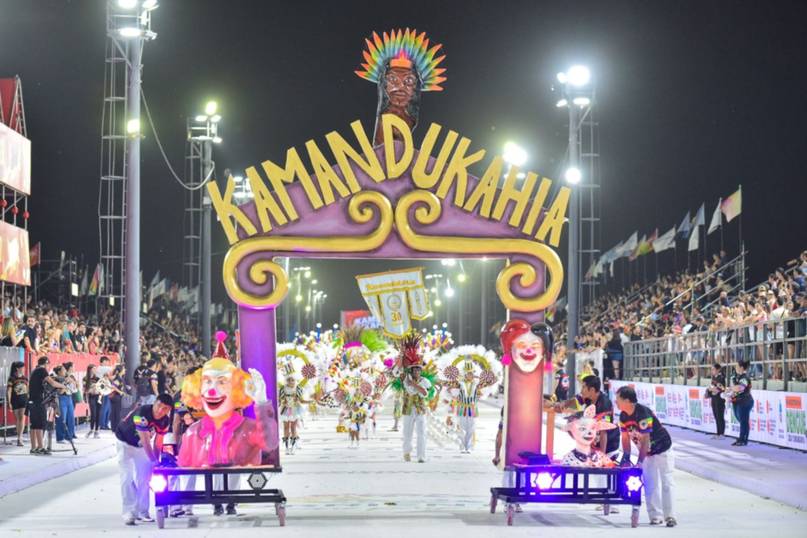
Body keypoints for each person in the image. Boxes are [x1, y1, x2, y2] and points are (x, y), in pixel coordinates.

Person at [616, 385, 676, 527]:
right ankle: (655, 516)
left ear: (627, 400)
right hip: (647, 452)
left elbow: (645, 439)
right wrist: (626, 457)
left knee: (666, 481)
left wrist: (640, 461)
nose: (616, 402)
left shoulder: (642, 413)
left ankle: (670, 516)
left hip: (662, 448)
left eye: (618, 399)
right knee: (650, 483)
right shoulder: (623, 416)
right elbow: (625, 438)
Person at [114, 394, 173, 525]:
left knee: (144, 477)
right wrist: (153, 460)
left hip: (140, 447)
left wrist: (156, 463)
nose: (160, 411)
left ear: (169, 410)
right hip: (124, 442)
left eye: (165, 409)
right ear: (154, 403)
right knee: (127, 478)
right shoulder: (142, 413)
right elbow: (146, 441)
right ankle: (129, 512)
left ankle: (143, 511)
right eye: (158, 406)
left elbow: (158, 442)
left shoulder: (164, 421)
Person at [399, 334, 432, 463]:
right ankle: (407, 452)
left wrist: (415, 385)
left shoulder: (425, 381)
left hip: (420, 410)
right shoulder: (406, 380)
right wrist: (413, 385)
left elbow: (424, 393)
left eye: (418, 370)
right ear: (411, 371)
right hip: (408, 409)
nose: (417, 372)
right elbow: (411, 392)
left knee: (422, 433)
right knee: (407, 433)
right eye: (415, 370)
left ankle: (421, 456)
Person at [28, 356, 66, 455]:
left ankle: (34, 448)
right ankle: (41, 448)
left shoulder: (35, 370)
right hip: (38, 401)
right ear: (46, 363)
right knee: (40, 425)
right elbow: (52, 383)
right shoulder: (42, 370)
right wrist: (63, 386)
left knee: (34, 425)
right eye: (48, 364)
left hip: (32, 400)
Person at [729, 359, 754, 446]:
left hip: (745, 401)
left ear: (741, 367)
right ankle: (742, 437)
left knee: (743, 421)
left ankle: (743, 439)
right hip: (736, 401)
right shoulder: (735, 376)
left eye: (737, 366)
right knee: (739, 418)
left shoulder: (745, 377)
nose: (735, 367)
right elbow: (732, 387)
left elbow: (740, 388)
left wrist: (731, 388)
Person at [6, 361, 28, 446]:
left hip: (24, 399)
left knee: (22, 418)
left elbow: (28, 389)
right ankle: (19, 436)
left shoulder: (25, 378)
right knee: (17, 419)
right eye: (22, 367)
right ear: (17, 368)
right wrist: (9, 402)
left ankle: (20, 437)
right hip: (15, 400)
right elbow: (9, 391)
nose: (24, 369)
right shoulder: (12, 378)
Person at [705, 363, 726, 439]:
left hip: (720, 399)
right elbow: (711, 387)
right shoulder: (714, 377)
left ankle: (722, 434)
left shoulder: (721, 377)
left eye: (713, 369)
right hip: (714, 398)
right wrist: (710, 389)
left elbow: (721, 388)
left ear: (718, 370)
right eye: (711, 369)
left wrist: (713, 389)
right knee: (716, 416)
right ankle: (718, 433)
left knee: (720, 416)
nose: (712, 371)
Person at [84, 364, 102, 438]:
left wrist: (99, 390)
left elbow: (102, 387)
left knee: (98, 413)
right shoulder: (85, 379)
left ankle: (97, 431)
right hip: (92, 397)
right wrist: (91, 389)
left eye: (96, 369)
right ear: (90, 370)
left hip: (99, 397)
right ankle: (91, 429)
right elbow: (85, 390)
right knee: (93, 413)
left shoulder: (98, 378)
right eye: (94, 369)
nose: (95, 370)